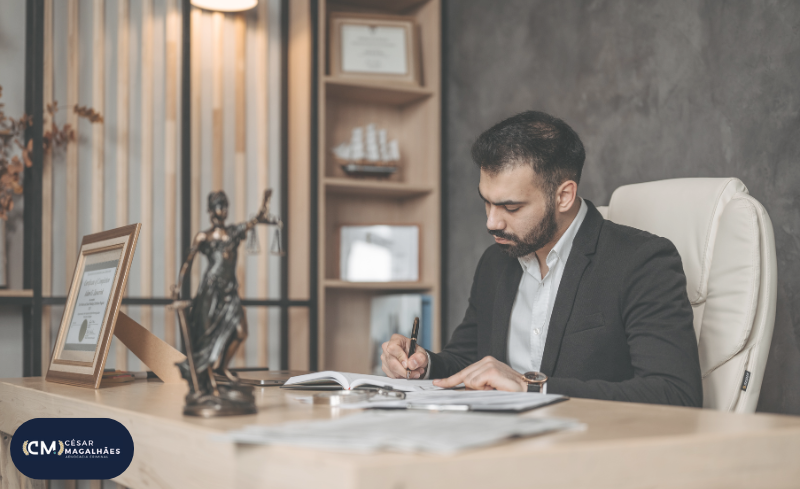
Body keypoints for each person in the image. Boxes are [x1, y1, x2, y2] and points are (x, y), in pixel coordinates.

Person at [381, 111, 703, 406]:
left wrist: (532, 389)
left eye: (511, 207)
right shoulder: (496, 262)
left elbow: (675, 394)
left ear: (564, 196)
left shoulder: (642, 262)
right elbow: (468, 359)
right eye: (487, 203)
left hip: (589, 452)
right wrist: (424, 365)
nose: (492, 222)